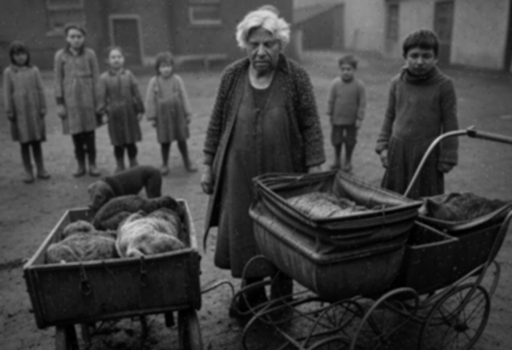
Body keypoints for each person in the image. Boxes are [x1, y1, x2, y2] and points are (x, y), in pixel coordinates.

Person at [200, 8, 325, 313]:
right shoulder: (232, 76)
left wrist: (314, 166)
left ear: (280, 44)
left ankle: (282, 299)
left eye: (268, 44)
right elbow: (216, 122)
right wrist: (207, 164)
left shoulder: (296, 77)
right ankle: (252, 294)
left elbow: (310, 123)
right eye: (253, 44)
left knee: (285, 231)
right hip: (238, 173)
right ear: (244, 44)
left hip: (283, 173)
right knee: (245, 230)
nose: (260, 51)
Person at [376, 29, 459, 199]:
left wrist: (448, 155)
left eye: (426, 56)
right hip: (398, 150)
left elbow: (450, 123)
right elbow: (389, 116)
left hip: (427, 153)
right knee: (394, 199)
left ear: (435, 57)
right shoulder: (396, 82)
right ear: (405, 57)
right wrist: (383, 146)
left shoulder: (444, 85)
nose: (420, 62)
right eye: (414, 56)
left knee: (424, 202)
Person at [54, 23, 101, 177]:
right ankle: (81, 164)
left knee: (90, 134)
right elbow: (58, 80)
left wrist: (99, 101)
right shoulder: (61, 56)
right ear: (67, 38)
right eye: (72, 37)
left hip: (88, 100)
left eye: (79, 36)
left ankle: (92, 164)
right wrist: (60, 103)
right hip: (71, 101)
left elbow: (96, 78)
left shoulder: (90, 54)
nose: (76, 40)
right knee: (77, 135)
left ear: (84, 38)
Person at [3, 41, 50, 183]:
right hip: (20, 113)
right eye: (16, 54)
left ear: (27, 55)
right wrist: (9, 110)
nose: (20, 57)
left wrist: (43, 107)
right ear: (12, 56)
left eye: (23, 54)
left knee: (36, 141)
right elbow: (7, 92)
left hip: (34, 112)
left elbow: (41, 89)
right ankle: (28, 170)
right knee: (24, 143)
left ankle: (41, 168)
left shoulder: (34, 70)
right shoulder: (8, 72)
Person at [145, 52, 197, 175]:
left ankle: (187, 161)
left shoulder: (177, 80)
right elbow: (150, 99)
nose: (166, 69)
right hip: (163, 116)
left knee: (182, 139)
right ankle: (164, 163)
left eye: (168, 66)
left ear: (172, 67)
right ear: (158, 68)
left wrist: (188, 113)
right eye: (162, 67)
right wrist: (152, 117)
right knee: (165, 141)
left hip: (177, 115)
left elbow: (184, 96)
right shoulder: (154, 81)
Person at [98, 46, 145, 173]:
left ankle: (133, 161)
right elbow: (101, 96)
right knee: (117, 142)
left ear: (123, 59)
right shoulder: (104, 78)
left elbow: (136, 92)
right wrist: (103, 112)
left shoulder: (129, 75)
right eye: (113, 57)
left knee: (131, 140)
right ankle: (120, 164)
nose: (116, 60)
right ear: (108, 60)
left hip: (129, 113)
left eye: (119, 57)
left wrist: (140, 110)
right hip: (114, 114)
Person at [326, 54, 366, 172]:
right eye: (343, 69)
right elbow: (331, 100)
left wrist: (359, 118)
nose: (345, 72)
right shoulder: (335, 84)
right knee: (336, 140)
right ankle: (337, 160)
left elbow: (362, 103)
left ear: (354, 70)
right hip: (337, 119)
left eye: (349, 69)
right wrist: (329, 114)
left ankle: (348, 161)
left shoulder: (359, 85)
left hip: (351, 120)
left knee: (350, 141)